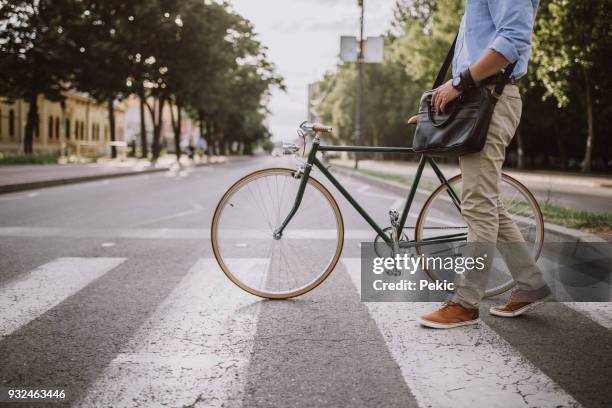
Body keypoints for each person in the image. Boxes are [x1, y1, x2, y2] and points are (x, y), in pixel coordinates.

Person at [408, 0, 552, 329]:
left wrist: (457, 84)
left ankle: (466, 303)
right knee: (487, 205)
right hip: (477, 100)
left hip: (491, 100)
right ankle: (531, 284)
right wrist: (438, 113)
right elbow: (474, 62)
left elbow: (513, 40)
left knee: (477, 205)